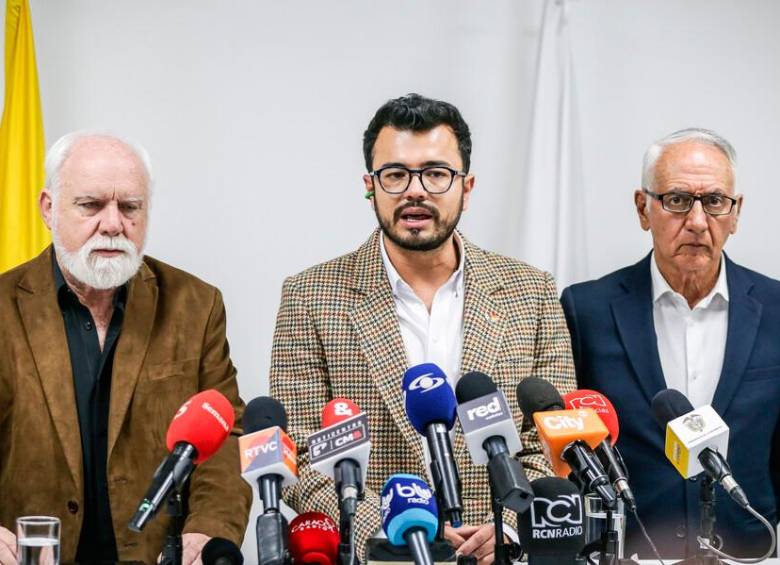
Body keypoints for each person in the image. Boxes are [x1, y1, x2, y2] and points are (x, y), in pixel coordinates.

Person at [270, 93, 575, 565]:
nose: (415, 191)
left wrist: (511, 523)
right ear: (370, 187)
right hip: (377, 557)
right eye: (395, 175)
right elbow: (304, 455)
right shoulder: (310, 297)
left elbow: (552, 440)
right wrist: (392, 532)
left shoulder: (530, 292)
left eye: (436, 173)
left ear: (466, 188)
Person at [0, 132, 251, 564]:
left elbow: (226, 435)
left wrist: (207, 532)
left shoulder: (195, 304)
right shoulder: (3, 307)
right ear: (48, 209)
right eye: (91, 205)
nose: (114, 224)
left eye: (130, 207)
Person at [560, 128, 780, 558]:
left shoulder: (776, 309)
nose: (697, 221)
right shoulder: (587, 309)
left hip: (748, 553)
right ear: (643, 208)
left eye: (715, 202)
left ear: (735, 213)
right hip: (629, 553)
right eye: (677, 200)